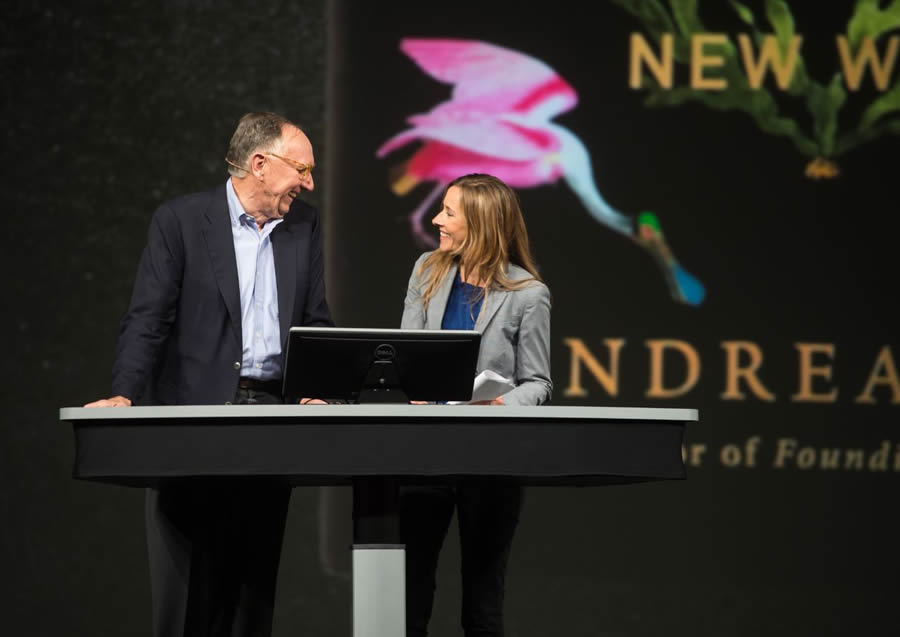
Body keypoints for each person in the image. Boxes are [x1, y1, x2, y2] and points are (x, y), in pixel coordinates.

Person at [85, 112, 333, 637]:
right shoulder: (180, 221)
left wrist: (314, 391)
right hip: (191, 419)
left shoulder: (304, 226)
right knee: (187, 593)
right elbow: (148, 319)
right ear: (260, 164)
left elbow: (315, 321)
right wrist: (123, 393)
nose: (310, 183)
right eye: (303, 169)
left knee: (252, 587)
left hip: (271, 420)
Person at [399, 173, 552, 637]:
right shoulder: (428, 269)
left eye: (448, 212)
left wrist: (500, 403)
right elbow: (404, 353)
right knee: (408, 598)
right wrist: (413, 386)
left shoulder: (528, 295)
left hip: (489, 459)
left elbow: (539, 383)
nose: (436, 220)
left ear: (480, 223)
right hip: (424, 455)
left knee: (483, 603)